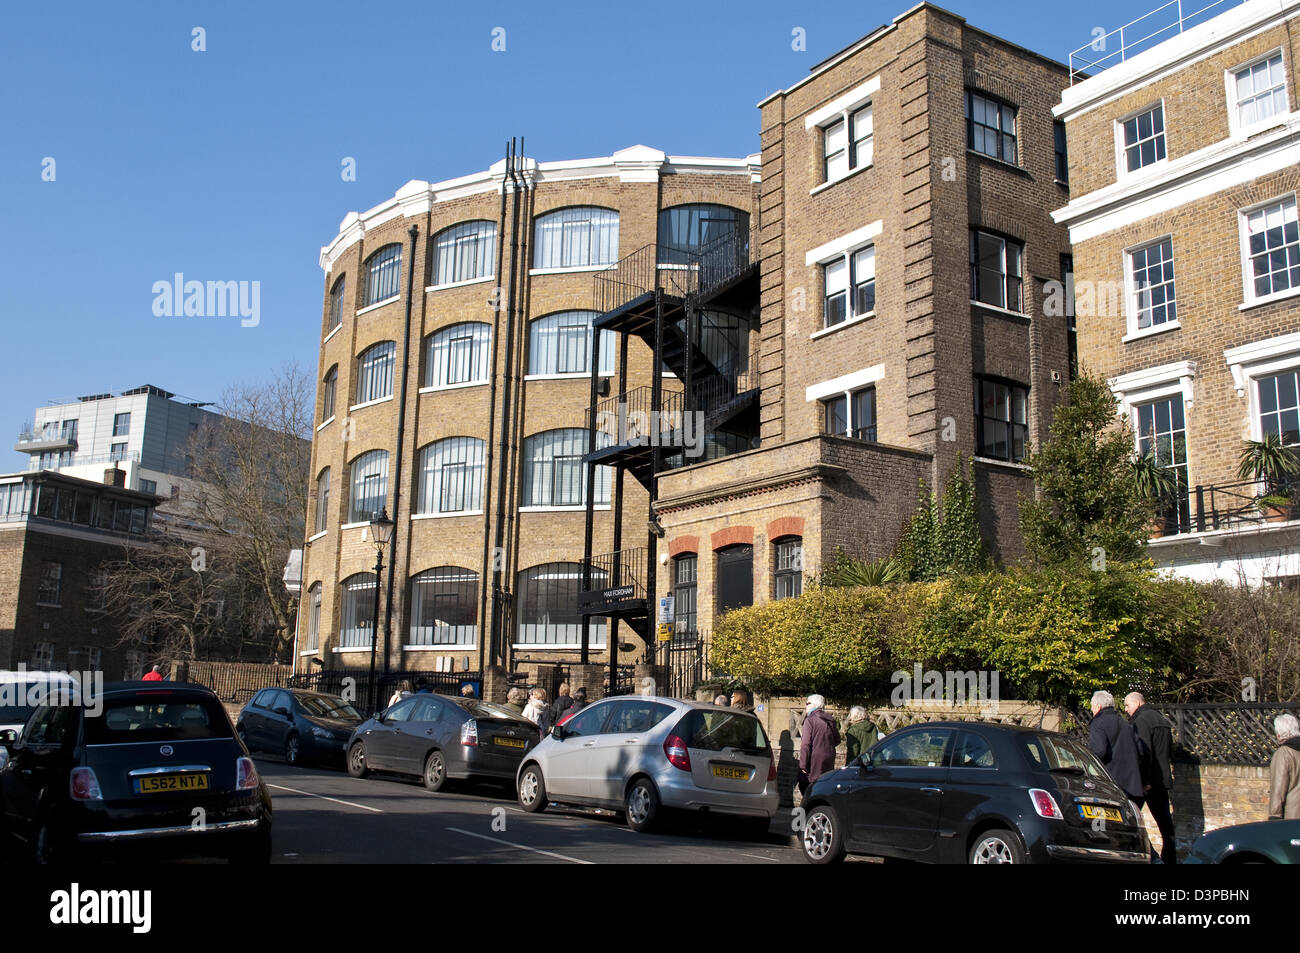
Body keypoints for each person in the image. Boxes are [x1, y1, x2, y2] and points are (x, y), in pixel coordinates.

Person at [1125, 692, 1177, 863]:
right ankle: (1169, 859)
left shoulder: (1141, 722)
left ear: (1137, 703)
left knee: (1128, 820)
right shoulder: (1162, 720)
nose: (1126, 710)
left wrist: (1143, 781)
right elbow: (1167, 752)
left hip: (1145, 783)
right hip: (1162, 780)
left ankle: (1148, 857)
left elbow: (1143, 754)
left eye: (1127, 706)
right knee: (1166, 826)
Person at [1088, 690, 1145, 804]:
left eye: (1092, 707)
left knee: (1102, 821)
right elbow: (1141, 751)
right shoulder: (1125, 723)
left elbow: (1099, 751)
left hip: (1111, 784)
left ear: (1098, 706)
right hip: (1133, 786)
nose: (1091, 710)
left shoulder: (1098, 723)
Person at [797, 695, 840, 796]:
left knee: (807, 786)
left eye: (807, 703)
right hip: (829, 759)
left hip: (814, 760)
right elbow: (837, 740)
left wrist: (802, 764)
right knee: (823, 786)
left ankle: (809, 809)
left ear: (815, 705)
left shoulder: (810, 720)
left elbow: (805, 744)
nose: (805, 706)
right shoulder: (830, 720)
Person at [1269, 713, 1300, 820]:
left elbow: (1278, 788)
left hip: (1292, 818)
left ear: (1279, 734)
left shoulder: (1283, 754)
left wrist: (1274, 816)